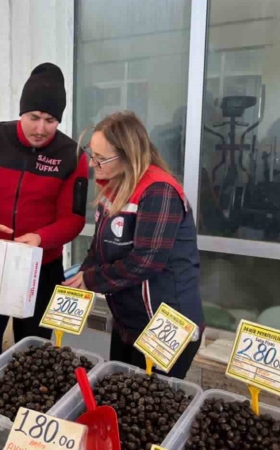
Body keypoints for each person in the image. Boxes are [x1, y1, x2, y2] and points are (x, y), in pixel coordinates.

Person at [0, 63, 88, 369]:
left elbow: (74, 218)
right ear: (21, 112)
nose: (40, 128)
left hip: (41, 267)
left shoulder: (72, 155)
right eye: (34, 117)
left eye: (50, 120)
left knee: (34, 356)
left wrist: (41, 238)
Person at [63, 111, 204, 380]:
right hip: (129, 319)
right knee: (121, 389)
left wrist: (92, 280)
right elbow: (99, 246)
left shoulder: (159, 191)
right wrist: (81, 277)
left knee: (151, 403)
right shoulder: (114, 186)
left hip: (166, 323)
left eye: (101, 158)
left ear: (129, 155)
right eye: (91, 154)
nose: (93, 164)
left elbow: (146, 261)